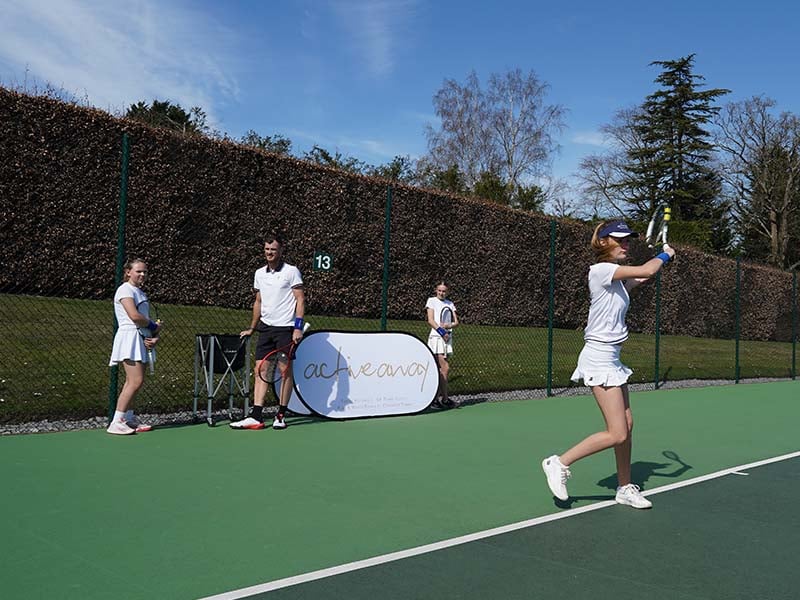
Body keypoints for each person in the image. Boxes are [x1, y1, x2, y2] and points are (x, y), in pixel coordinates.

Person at [541, 220, 675, 509]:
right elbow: (646, 270)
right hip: (598, 357)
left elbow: (642, 278)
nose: (627, 244)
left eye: (629, 240)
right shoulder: (601, 271)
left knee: (627, 424)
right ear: (603, 242)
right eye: (620, 239)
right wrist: (664, 255)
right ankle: (559, 462)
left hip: (612, 357)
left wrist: (661, 262)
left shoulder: (616, 281)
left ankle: (625, 487)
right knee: (617, 432)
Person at [231, 234, 305, 430]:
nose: (269, 253)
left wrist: (297, 327)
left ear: (280, 251)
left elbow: (300, 299)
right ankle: (256, 416)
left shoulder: (291, 272)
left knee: (284, 371)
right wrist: (252, 328)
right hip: (266, 328)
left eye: (273, 249)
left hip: (286, 329)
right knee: (260, 370)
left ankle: (280, 415)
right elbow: (258, 302)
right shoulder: (259, 274)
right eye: (267, 249)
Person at [107, 258, 162, 435]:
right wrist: (153, 326)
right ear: (128, 272)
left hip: (141, 337)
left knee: (136, 382)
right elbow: (134, 316)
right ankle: (117, 422)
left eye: (145, 271)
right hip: (129, 337)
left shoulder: (140, 292)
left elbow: (144, 321)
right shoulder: (124, 290)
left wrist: (154, 336)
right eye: (138, 271)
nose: (142, 274)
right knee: (135, 381)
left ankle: (128, 419)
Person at [425, 281, 459, 408]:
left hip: (447, 338)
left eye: (444, 291)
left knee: (442, 370)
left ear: (447, 292)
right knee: (445, 367)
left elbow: (456, 322)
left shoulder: (450, 304)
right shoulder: (431, 301)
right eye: (439, 290)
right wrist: (441, 331)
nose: (441, 293)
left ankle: (439, 399)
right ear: (436, 290)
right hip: (436, 338)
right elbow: (430, 320)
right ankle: (442, 399)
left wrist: (447, 326)